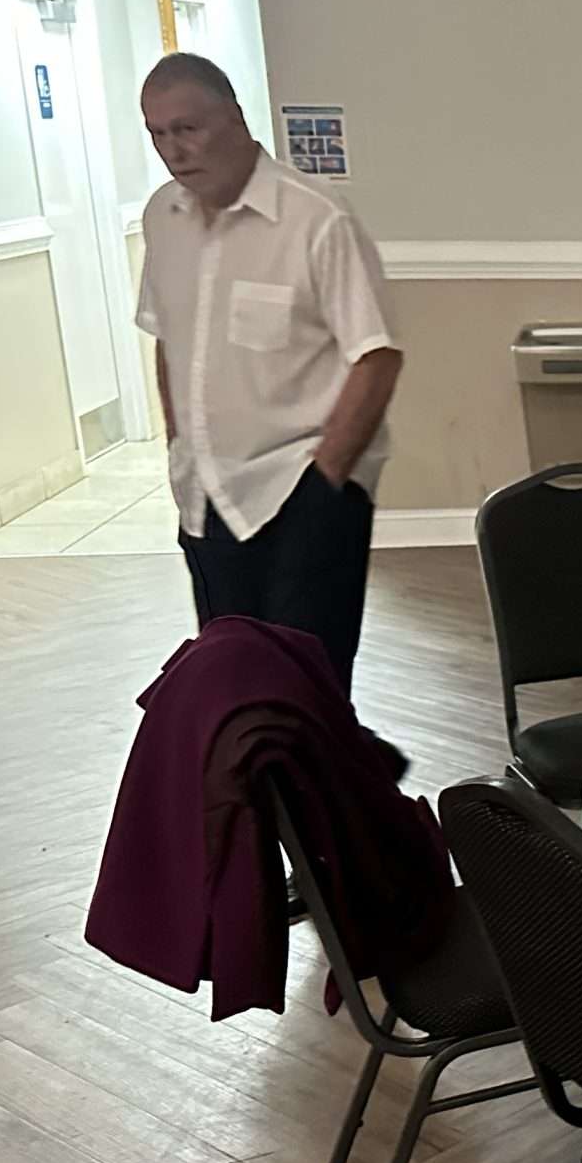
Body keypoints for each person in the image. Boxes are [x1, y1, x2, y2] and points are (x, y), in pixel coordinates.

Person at [135, 53, 401, 697]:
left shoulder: (315, 218)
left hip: (300, 489)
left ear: (234, 117)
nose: (174, 150)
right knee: (232, 691)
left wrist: (325, 483)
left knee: (308, 693)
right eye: (157, 134)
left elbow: (376, 355)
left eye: (188, 128)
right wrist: (179, 445)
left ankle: (327, 773)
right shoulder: (162, 218)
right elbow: (168, 340)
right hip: (206, 495)